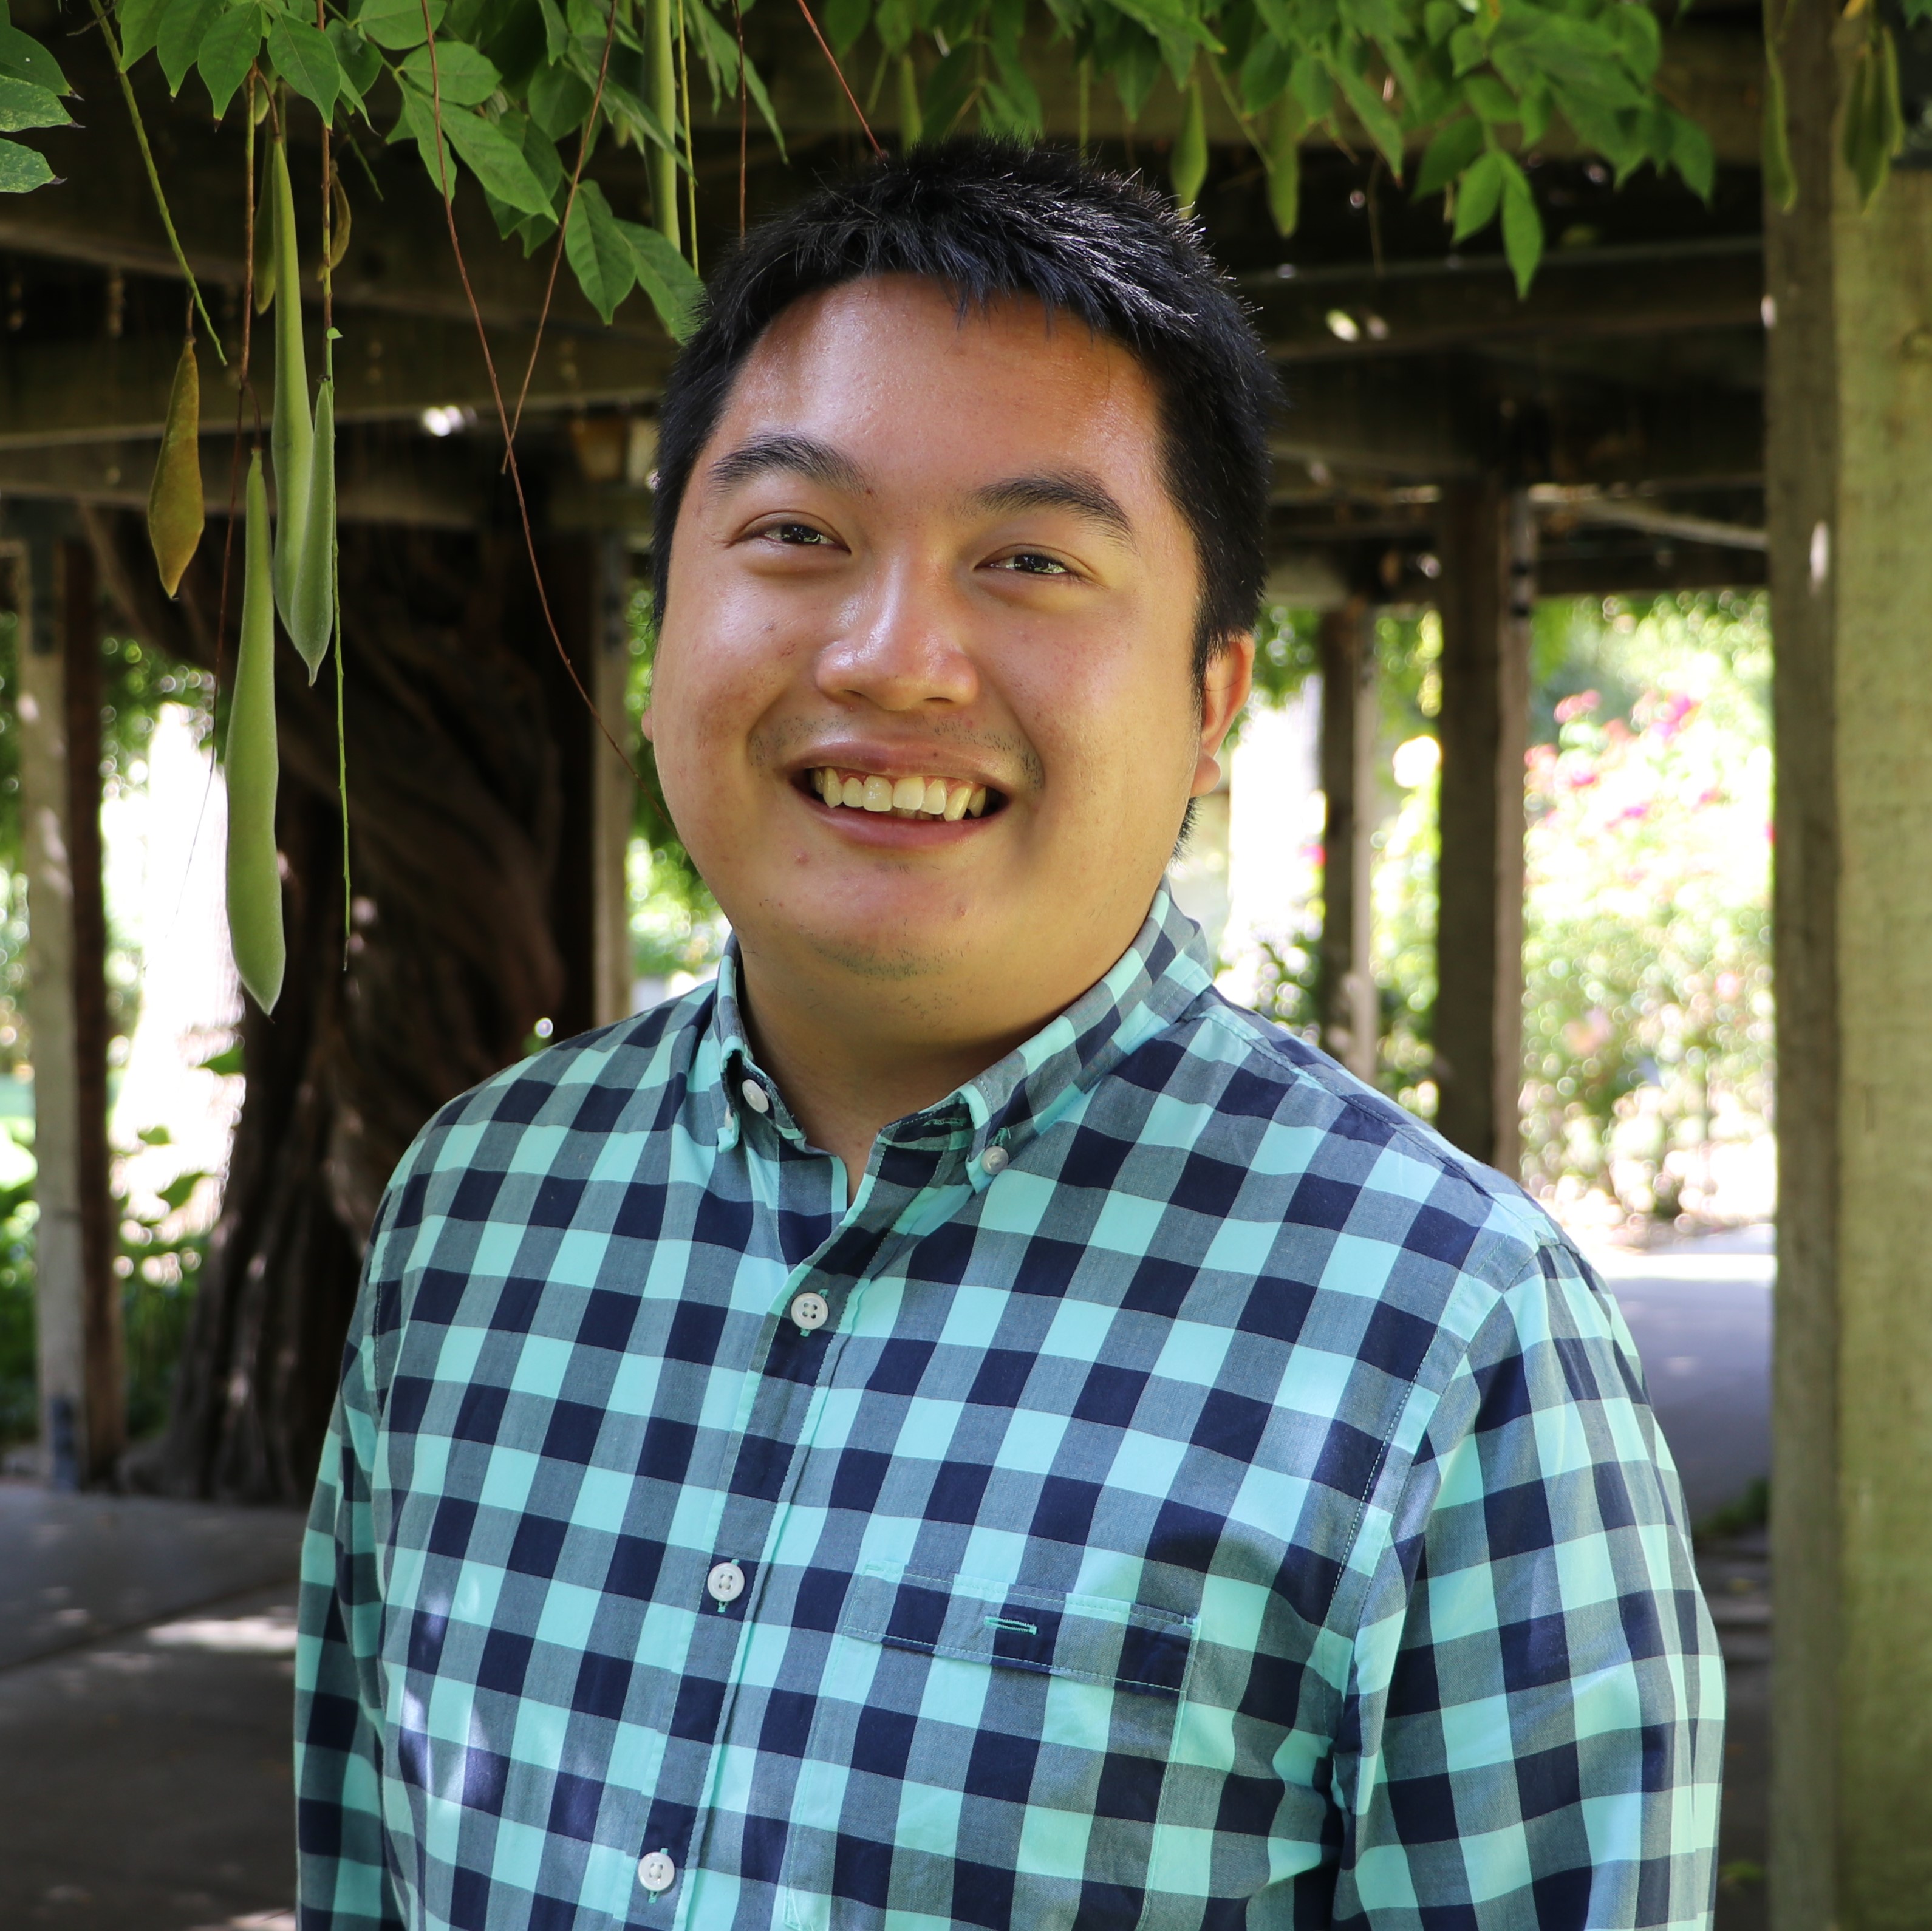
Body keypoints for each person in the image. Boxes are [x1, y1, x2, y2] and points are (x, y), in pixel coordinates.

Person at [295, 140, 1722, 1930]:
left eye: (1032, 558)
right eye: (798, 535)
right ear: (663, 620)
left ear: (1214, 699)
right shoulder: (477, 1214)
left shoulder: (1446, 1339)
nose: (898, 658)